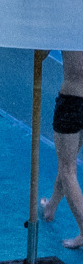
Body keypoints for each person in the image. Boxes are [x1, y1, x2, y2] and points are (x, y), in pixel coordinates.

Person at [43, 59, 83, 249]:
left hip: (72, 100)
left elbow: (41, 52)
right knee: (68, 160)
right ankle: (51, 206)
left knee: (67, 169)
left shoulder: (70, 28)